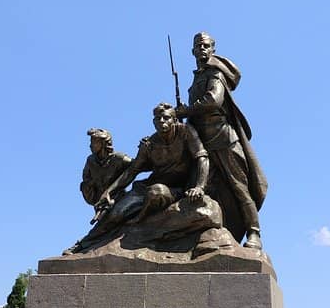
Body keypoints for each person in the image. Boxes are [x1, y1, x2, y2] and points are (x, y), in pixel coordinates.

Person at [68, 102, 209, 252]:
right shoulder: (150, 143)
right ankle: (83, 244)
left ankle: (137, 223)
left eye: (166, 118)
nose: (162, 121)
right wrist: (108, 192)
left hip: (178, 189)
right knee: (115, 213)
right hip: (147, 187)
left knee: (157, 192)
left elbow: (202, 158)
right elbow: (132, 171)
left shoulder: (186, 132)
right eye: (158, 118)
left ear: (174, 120)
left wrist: (199, 186)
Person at [175, 31, 267, 249]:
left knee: (238, 187)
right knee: (200, 188)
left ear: (213, 49)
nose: (202, 49)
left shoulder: (215, 73)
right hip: (201, 141)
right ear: (193, 51)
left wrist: (186, 111)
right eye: (198, 46)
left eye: (206, 46)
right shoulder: (197, 77)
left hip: (222, 137)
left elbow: (214, 100)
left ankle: (254, 233)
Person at [79, 128, 132, 206]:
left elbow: (137, 165)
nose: (90, 145)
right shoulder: (91, 161)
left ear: (103, 143)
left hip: (119, 201)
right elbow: (86, 181)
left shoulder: (118, 158)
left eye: (94, 142)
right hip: (101, 202)